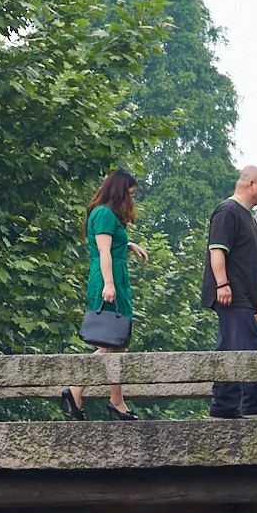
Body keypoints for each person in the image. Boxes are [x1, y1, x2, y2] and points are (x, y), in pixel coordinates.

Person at [64, 169, 148, 421]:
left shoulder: (109, 215)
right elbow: (103, 251)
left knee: (117, 341)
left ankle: (110, 399)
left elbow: (112, 244)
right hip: (109, 280)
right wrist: (109, 285)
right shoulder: (102, 213)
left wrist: (128, 244)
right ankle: (83, 391)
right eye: (130, 194)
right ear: (120, 192)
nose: (131, 200)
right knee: (113, 341)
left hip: (116, 278)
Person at [203, 167, 257, 421]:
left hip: (246, 293)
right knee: (248, 343)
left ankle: (223, 405)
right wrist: (222, 284)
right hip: (231, 291)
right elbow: (217, 251)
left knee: (228, 347)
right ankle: (254, 403)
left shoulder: (248, 218)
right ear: (251, 184)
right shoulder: (228, 211)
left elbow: (254, 260)